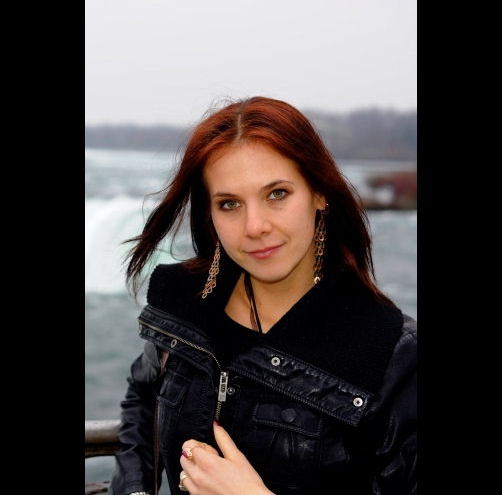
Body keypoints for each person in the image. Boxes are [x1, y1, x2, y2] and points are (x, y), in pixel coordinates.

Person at [109, 96, 417, 495]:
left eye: (277, 194)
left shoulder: (389, 352)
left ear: (319, 192)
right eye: (229, 204)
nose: (254, 226)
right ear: (210, 215)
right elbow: (142, 401)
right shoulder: (183, 304)